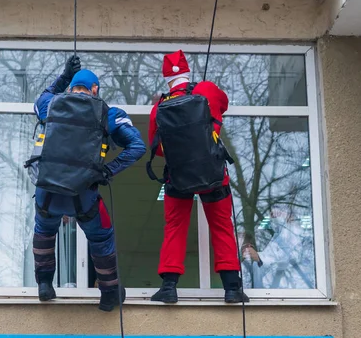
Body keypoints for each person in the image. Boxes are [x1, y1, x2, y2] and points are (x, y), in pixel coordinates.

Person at [31, 55, 146, 311]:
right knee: (101, 237)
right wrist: (108, 170)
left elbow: (42, 97)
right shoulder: (107, 113)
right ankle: (108, 295)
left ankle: (45, 286)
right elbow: (137, 146)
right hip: (84, 194)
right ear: (95, 90)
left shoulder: (49, 104)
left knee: (44, 231)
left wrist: (63, 77)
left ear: (71, 88)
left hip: (47, 192)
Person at [148, 50, 249, 303]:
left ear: (166, 78)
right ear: (187, 70)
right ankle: (232, 289)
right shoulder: (206, 89)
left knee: (175, 228)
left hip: (178, 177)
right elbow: (223, 105)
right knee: (222, 227)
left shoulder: (159, 107)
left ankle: (169, 288)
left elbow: (158, 149)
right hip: (213, 173)